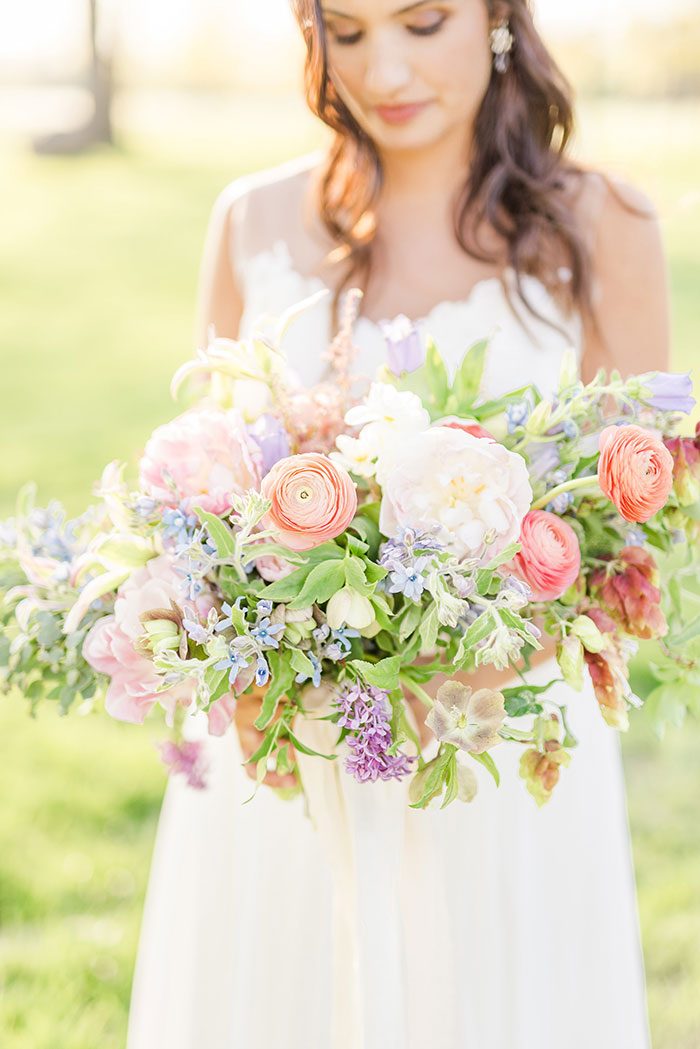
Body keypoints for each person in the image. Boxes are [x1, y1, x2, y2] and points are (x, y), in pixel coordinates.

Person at [126, 2, 667, 1047]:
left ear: (498, 17)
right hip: (287, 751)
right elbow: (203, 493)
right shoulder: (252, 219)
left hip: (495, 755)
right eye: (349, 28)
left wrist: (475, 674)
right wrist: (227, 652)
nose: (385, 69)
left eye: (422, 22)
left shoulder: (604, 228)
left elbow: (634, 530)